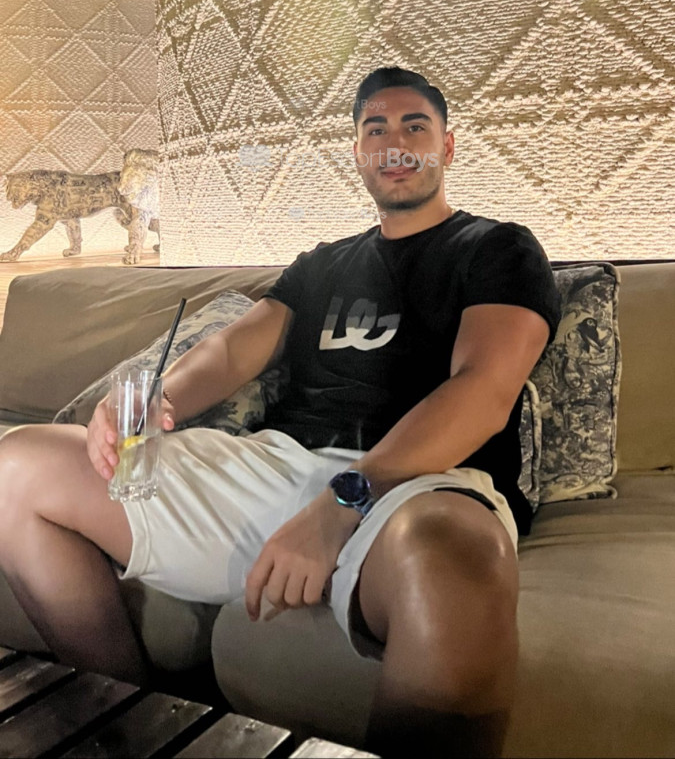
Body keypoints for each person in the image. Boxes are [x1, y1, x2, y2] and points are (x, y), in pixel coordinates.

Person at [0, 66, 561, 759]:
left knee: (457, 562)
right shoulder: (322, 264)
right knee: (18, 465)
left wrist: (342, 503)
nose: (394, 143)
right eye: (375, 129)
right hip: (275, 465)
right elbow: (234, 348)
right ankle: (133, 730)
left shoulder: (497, 248)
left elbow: (483, 390)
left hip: (416, 484)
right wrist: (156, 396)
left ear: (446, 146)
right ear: (357, 153)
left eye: (414, 126)